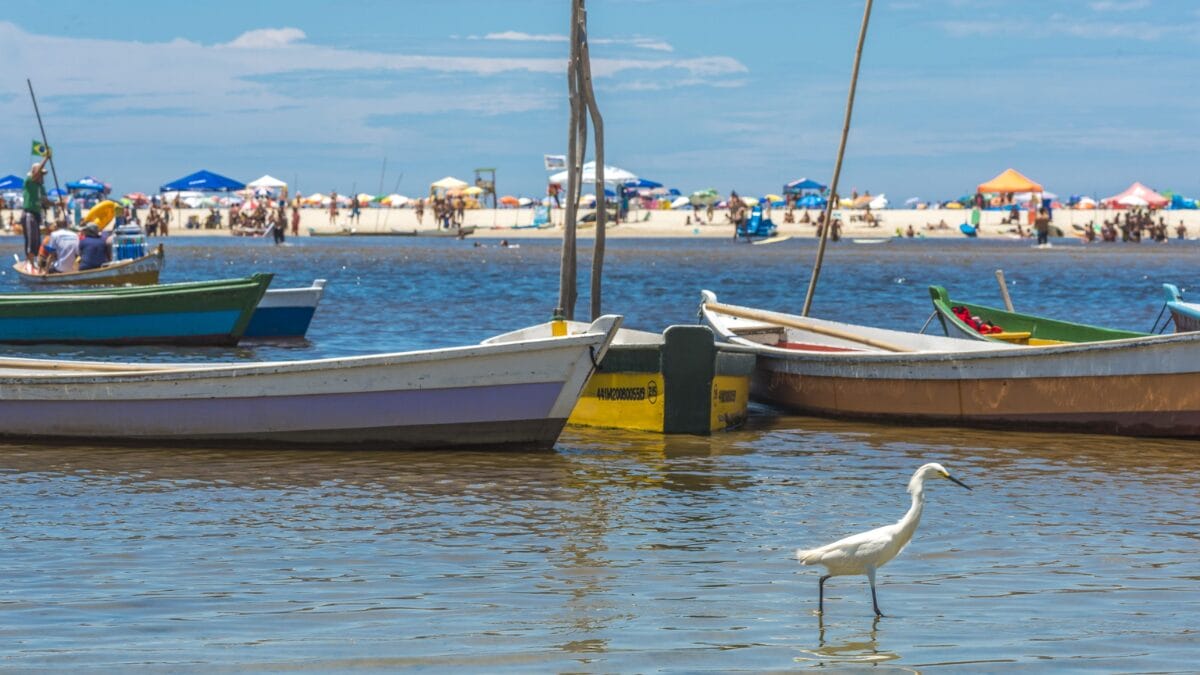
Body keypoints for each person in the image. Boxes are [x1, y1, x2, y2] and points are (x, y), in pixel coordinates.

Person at [22, 154, 53, 265]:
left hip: (36, 214)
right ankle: (30, 262)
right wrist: (45, 159)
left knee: (37, 240)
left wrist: (58, 203)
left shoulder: (41, 187)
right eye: (41, 174)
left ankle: (34, 261)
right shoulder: (29, 182)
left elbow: (45, 201)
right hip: (29, 214)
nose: (42, 176)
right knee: (31, 239)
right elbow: (35, 174)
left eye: (43, 174)